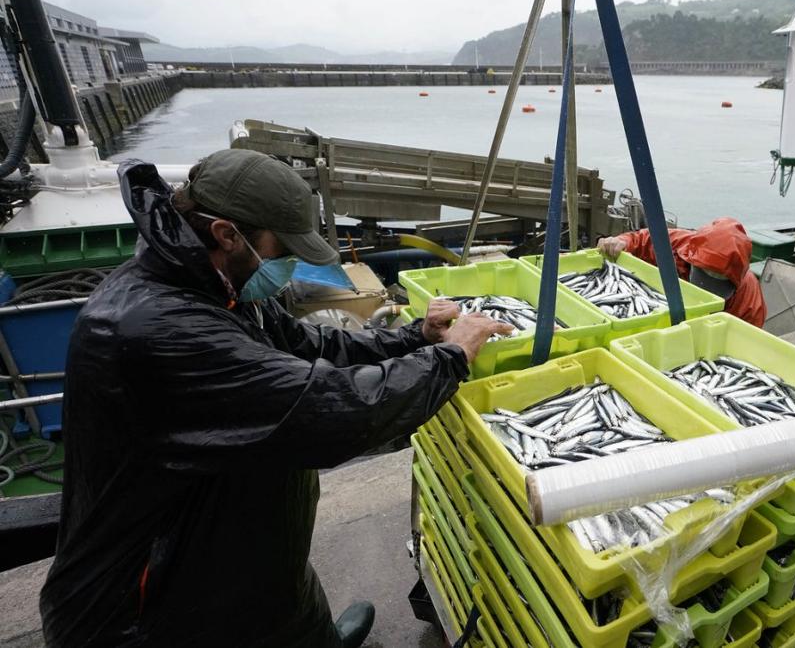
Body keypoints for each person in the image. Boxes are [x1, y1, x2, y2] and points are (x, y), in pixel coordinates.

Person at [39, 150, 512, 647]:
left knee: (293, 620)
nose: (289, 263)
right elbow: (329, 413)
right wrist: (451, 358)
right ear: (227, 233)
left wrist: (416, 337)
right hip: (156, 607)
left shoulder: (218, 283)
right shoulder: (156, 328)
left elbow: (315, 346)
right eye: (282, 248)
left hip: (246, 558)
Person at [596, 217, 766, 326]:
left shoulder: (749, 300)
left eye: (718, 283)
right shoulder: (681, 243)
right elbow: (642, 240)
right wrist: (621, 241)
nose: (705, 288)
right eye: (704, 275)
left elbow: (747, 341)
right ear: (692, 259)